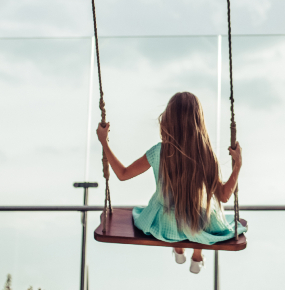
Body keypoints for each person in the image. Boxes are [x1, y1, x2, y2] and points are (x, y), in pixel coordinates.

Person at [96, 91, 246, 274]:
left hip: (164, 224)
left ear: (168, 120)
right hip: (197, 223)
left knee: (178, 215)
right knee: (204, 209)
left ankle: (178, 248)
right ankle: (197, 256)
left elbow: (122, 174)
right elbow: (223, 196)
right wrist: (237, 165)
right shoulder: (206, 155)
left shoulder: (158, 151)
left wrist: (104, 142)